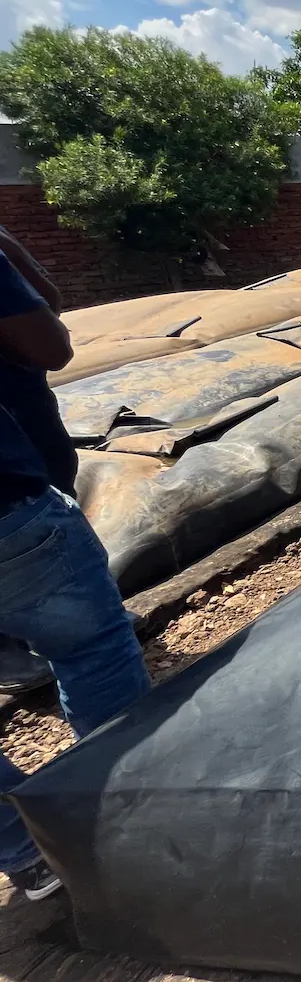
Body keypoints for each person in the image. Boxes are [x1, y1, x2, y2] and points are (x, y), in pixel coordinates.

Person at [0, 245, 151, 901]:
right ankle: (125, 824)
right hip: (9, 517)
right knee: (90, 651)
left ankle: (25, 851)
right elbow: (49, 342)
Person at [0, 229, 76, 698]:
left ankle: (57, 619)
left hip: (26, 412)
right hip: (12, 429)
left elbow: (48, 300)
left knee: (56, 478)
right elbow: (55, 346)